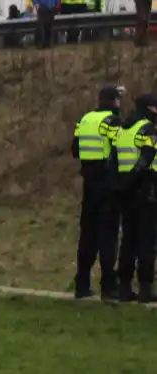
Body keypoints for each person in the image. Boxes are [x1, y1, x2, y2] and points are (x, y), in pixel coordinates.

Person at [71, 85, 123, 299]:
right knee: (108, 236)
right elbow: (121, 147)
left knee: (87, 235)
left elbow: (75, 149)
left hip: (88, 184)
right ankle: (109, 285)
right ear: (114, 102)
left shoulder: (84, 120)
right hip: (108, 184)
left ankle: (82, 283)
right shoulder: (112, 121)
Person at [112, 93, 157, 302]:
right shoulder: (147, 128)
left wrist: (123, 184)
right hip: (144, 188)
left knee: (129, 240)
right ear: (151, 109)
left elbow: (115, 157)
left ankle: (124, 287)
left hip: (125, 190)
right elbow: (146, 157)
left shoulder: (123, 128)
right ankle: (146, 289)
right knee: (147, 240)